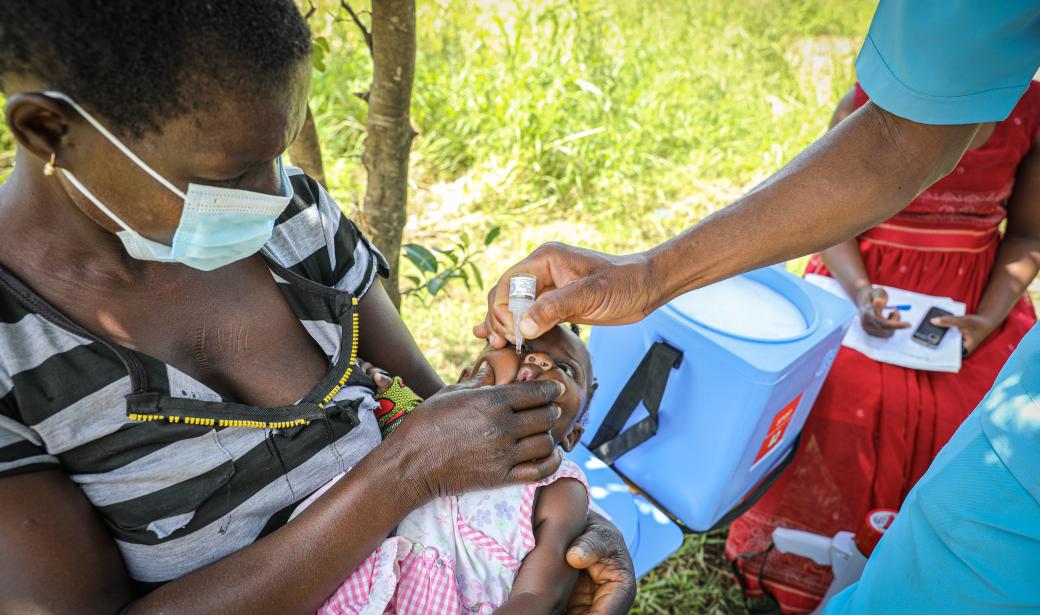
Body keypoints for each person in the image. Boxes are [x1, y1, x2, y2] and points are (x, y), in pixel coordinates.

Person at [0, 3, 635, 613]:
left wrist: (565, 525)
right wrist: (403, 472)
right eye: (230, 175)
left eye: (275, 156)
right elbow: (428, 452)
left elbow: (453, 424)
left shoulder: (292, 221)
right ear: (48, 130)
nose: (275, 195)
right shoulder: (13, 363)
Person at [477, 1, 1040, 612]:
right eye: (519, 350)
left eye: (565, 369)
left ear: (583, 430)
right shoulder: (403, 425)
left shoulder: (561, 497)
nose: (531, 363)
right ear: (463, 375)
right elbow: (896, 141)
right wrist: (648, 278)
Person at [725, 79, 1040, 613]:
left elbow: (1028, 236)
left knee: (977, 413)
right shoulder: (871, 101)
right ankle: (811, 565)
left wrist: (986, 319)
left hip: (973, 296)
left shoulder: (1029, 115)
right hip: (863, 277)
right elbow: (828, 218)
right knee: (842, 396)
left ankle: (914, 575)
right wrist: (861, 293)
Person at [306, 325, 597, 615]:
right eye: (521, 347)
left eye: (566, 370)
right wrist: (372, 379)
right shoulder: (418, 422)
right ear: (465, 383)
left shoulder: (557, 489)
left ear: (572, 435)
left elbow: (539, 596)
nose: (540, 361)